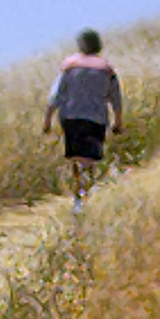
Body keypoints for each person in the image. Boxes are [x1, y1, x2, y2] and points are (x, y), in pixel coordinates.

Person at [43, 28, 124, 213]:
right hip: (97, 118)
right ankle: (86, 194)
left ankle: (78, 197)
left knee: (75, 156)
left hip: (71, 115)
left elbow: (56, 94)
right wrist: (118, 122)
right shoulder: (106, 69)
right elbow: (116, 98)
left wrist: (47, 118)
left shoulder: (69, 66)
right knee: (91, 157)